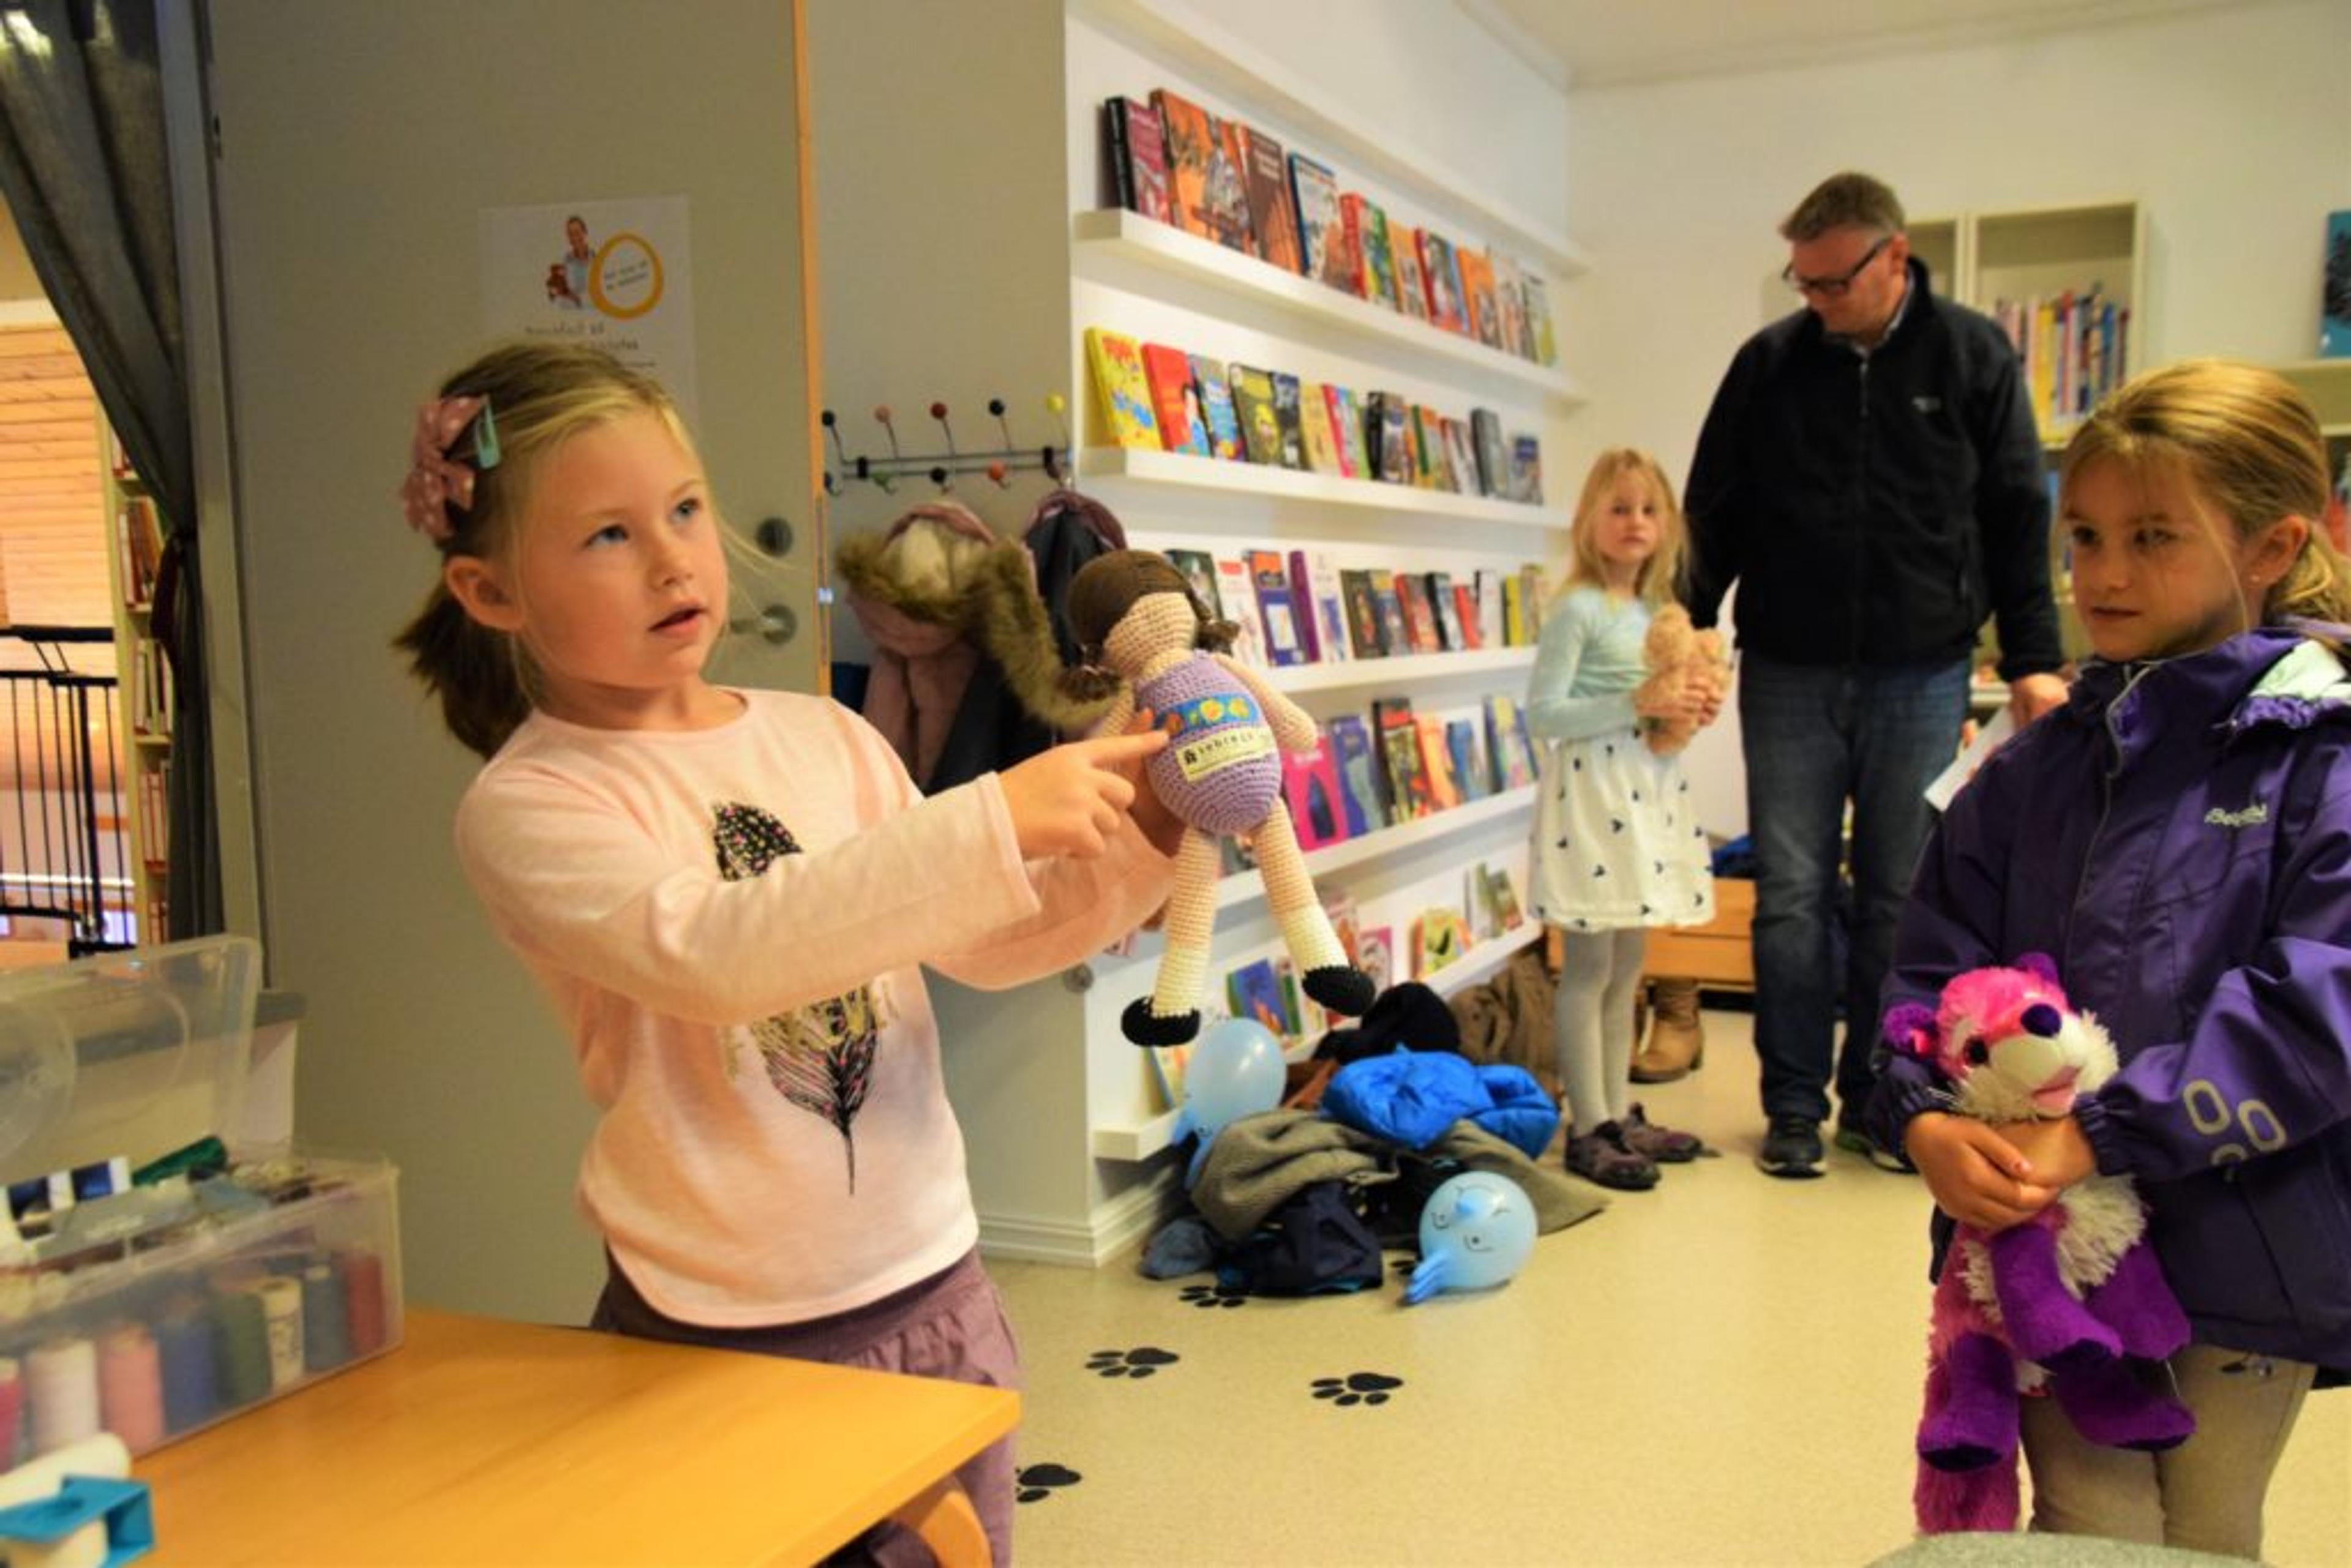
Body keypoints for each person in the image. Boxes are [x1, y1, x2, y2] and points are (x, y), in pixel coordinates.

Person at [392, 340, 1180, 1566]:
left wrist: (1154, 830)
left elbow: (980, 932)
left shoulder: (825, 735)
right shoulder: (531, 804)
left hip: (934, 1279)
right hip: (720, 1328)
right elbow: (717, 953)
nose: (672, 558)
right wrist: (989, 818)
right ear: (491, 593)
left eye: (684, 508)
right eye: (608, 534)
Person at [1869, 359, 2351, 1556]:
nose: (2105, 574)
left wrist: (2101, 1131)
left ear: (2273, 544)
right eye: (2084, 534)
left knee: (2204, 1531)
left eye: (2153, 536)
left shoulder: (2325, 763)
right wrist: (1923, 1121)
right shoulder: (2026, 769)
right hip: (2046, 1241)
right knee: (2083, 1522)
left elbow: (2317, 1010)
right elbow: (1931, 976)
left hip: (2245, 1247)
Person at [1684, 171, 2071, 1179]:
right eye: (1803, 283)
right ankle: (1791, 1105)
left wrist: (2034, 658)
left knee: (1899, 895)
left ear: (1894, 257)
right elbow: (1714, 504)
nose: (1816, 301)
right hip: (1788, 667)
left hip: (1923, 670)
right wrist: (1687, 621)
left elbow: (2017, 515)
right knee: (1792, 894)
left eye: (1834, 282)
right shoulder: (1770, 364)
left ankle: (1879, 1101)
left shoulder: (1973, 355)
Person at [1525, 448, 1719, 1190]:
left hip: (1643, 793)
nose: (1635, 522)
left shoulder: (1652, 611)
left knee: (1627, 966)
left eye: (1647, 509)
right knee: (1588, 966)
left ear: (1666, 523)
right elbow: (1546, 712)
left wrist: (1683, 708)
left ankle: (1613, 1109)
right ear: (1589, 521)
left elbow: (1659, 706)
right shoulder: (1578, 608)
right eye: (1618, 508)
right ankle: (1588, 1123)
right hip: (1593, 796)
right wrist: (1634, 703)